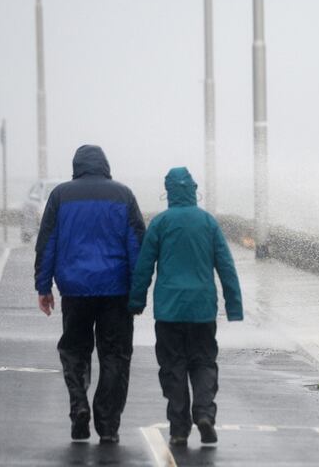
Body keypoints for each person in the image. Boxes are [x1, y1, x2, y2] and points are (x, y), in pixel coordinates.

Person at [35, 145, 145, 443]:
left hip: (75, 290)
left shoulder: (61, 195)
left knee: (74, 351)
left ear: (77, 166)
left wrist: (43, 287)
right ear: (105, 165)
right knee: (115, 356)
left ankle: (79, 405)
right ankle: (107, 425)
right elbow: (137, 247)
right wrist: (139, 290)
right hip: (116, 292)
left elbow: (47, 244)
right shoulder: (123, 195)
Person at [128, 167, 243, 447]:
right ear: (193, 191)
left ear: (168, 193)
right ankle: (203, 413)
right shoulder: (208, 223)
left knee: (173, 367)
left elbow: (144, 267)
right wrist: (234, 306)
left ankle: (179, 429)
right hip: (202, 309)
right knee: (203, 362)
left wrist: (136, 301)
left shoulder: (160, 223)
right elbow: (226, 266)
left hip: (169, 311)